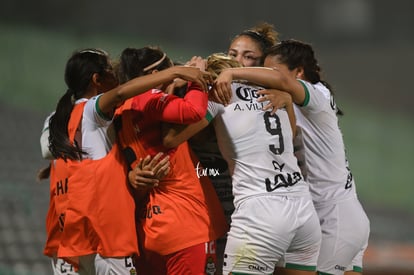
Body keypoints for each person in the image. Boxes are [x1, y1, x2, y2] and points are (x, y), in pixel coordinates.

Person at [46, 47, 210, 274]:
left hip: (69, 237)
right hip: (104, 234)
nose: (116, 74)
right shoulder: (93, 110)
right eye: (109, 70)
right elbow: (123, 93)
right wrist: (178, 74)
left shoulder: (57, 119)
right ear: (97, 80)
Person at [164, 53, 322, 275]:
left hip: (261, 211)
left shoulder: (217, 98)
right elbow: (292, 132)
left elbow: (171, 139)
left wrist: (189, 86)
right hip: (304, 209)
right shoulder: (273, 94)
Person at [114, 46, 228, 275]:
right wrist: (197, 80)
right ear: (157, 74)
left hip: (150, 226)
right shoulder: (149, 98)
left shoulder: (120, 111)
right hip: (186, 225)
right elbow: (194, 111)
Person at [262, 39, 370, 275]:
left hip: (333, 218)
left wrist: (228, 73)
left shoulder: (316, 94)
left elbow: (282, 82)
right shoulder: (297, 99)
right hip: (342, 215)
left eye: (271, 72)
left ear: (298, 72)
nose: (267, 78)